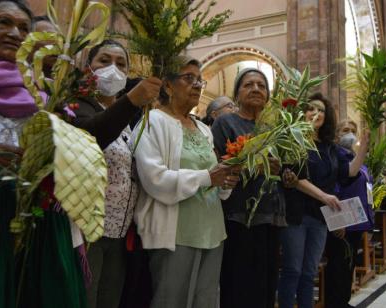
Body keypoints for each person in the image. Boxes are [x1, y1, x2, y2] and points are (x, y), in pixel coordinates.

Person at [0, 2, 88, 307]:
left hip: (40, 223)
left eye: (23, 28)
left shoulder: (47, 97)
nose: (14, 33)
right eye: (4, 23)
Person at [132, 55, 240, 308]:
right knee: (172, 300)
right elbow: (154, 179)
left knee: (206, 299)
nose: (196, 85)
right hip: (175, 231)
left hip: (212, 229)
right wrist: (207, 177)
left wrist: (225, 182)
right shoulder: (153, 122)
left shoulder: (203, 129)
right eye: (188, 78)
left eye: (199, 80)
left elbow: (211, 177)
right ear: (168, 86)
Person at [69, 39, 161, 308]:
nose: (113, 68)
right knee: (85, 299)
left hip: (119, 234)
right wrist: (131, 100)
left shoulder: (128, 122)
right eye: (104, 61)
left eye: (121, 64)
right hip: (88, 232)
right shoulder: (77, 105)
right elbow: (92, 135)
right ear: (89, 67)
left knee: (109, 299)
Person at [278, 93, 369, 308]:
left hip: (319, 218)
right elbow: (294, 178)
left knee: (309, 272)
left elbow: (349, 171)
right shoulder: (293, 140)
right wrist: (325, 197)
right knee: (293, 270)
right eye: (311, 108)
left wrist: (363, 146)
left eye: (321, 110)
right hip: (296, 214)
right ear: (302, 113)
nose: (316, 113)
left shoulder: (329, 148)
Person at [211, 68, 282, 308]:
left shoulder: (275, 127)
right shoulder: (225, 122)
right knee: (237, 283)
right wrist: (256, 166)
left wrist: (280, 168)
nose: (255, 89)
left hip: (270, 215)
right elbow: (218, 165)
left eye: (261, 85)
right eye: (248, 84)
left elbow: (282, 168)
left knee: (266, 282)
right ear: (237, 94)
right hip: (237, 214)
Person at [324, 119, 373, 308]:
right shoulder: (336, 155)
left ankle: (343, 301)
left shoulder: (355, 158)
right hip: (343, 221)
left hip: (357, 221)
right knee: (338, 264)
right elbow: (334, 188)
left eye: (353, 130)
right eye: (346, 130)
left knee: (349, 262)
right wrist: (339, 221)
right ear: (337, 134)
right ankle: (334, 303)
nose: (350, 133)